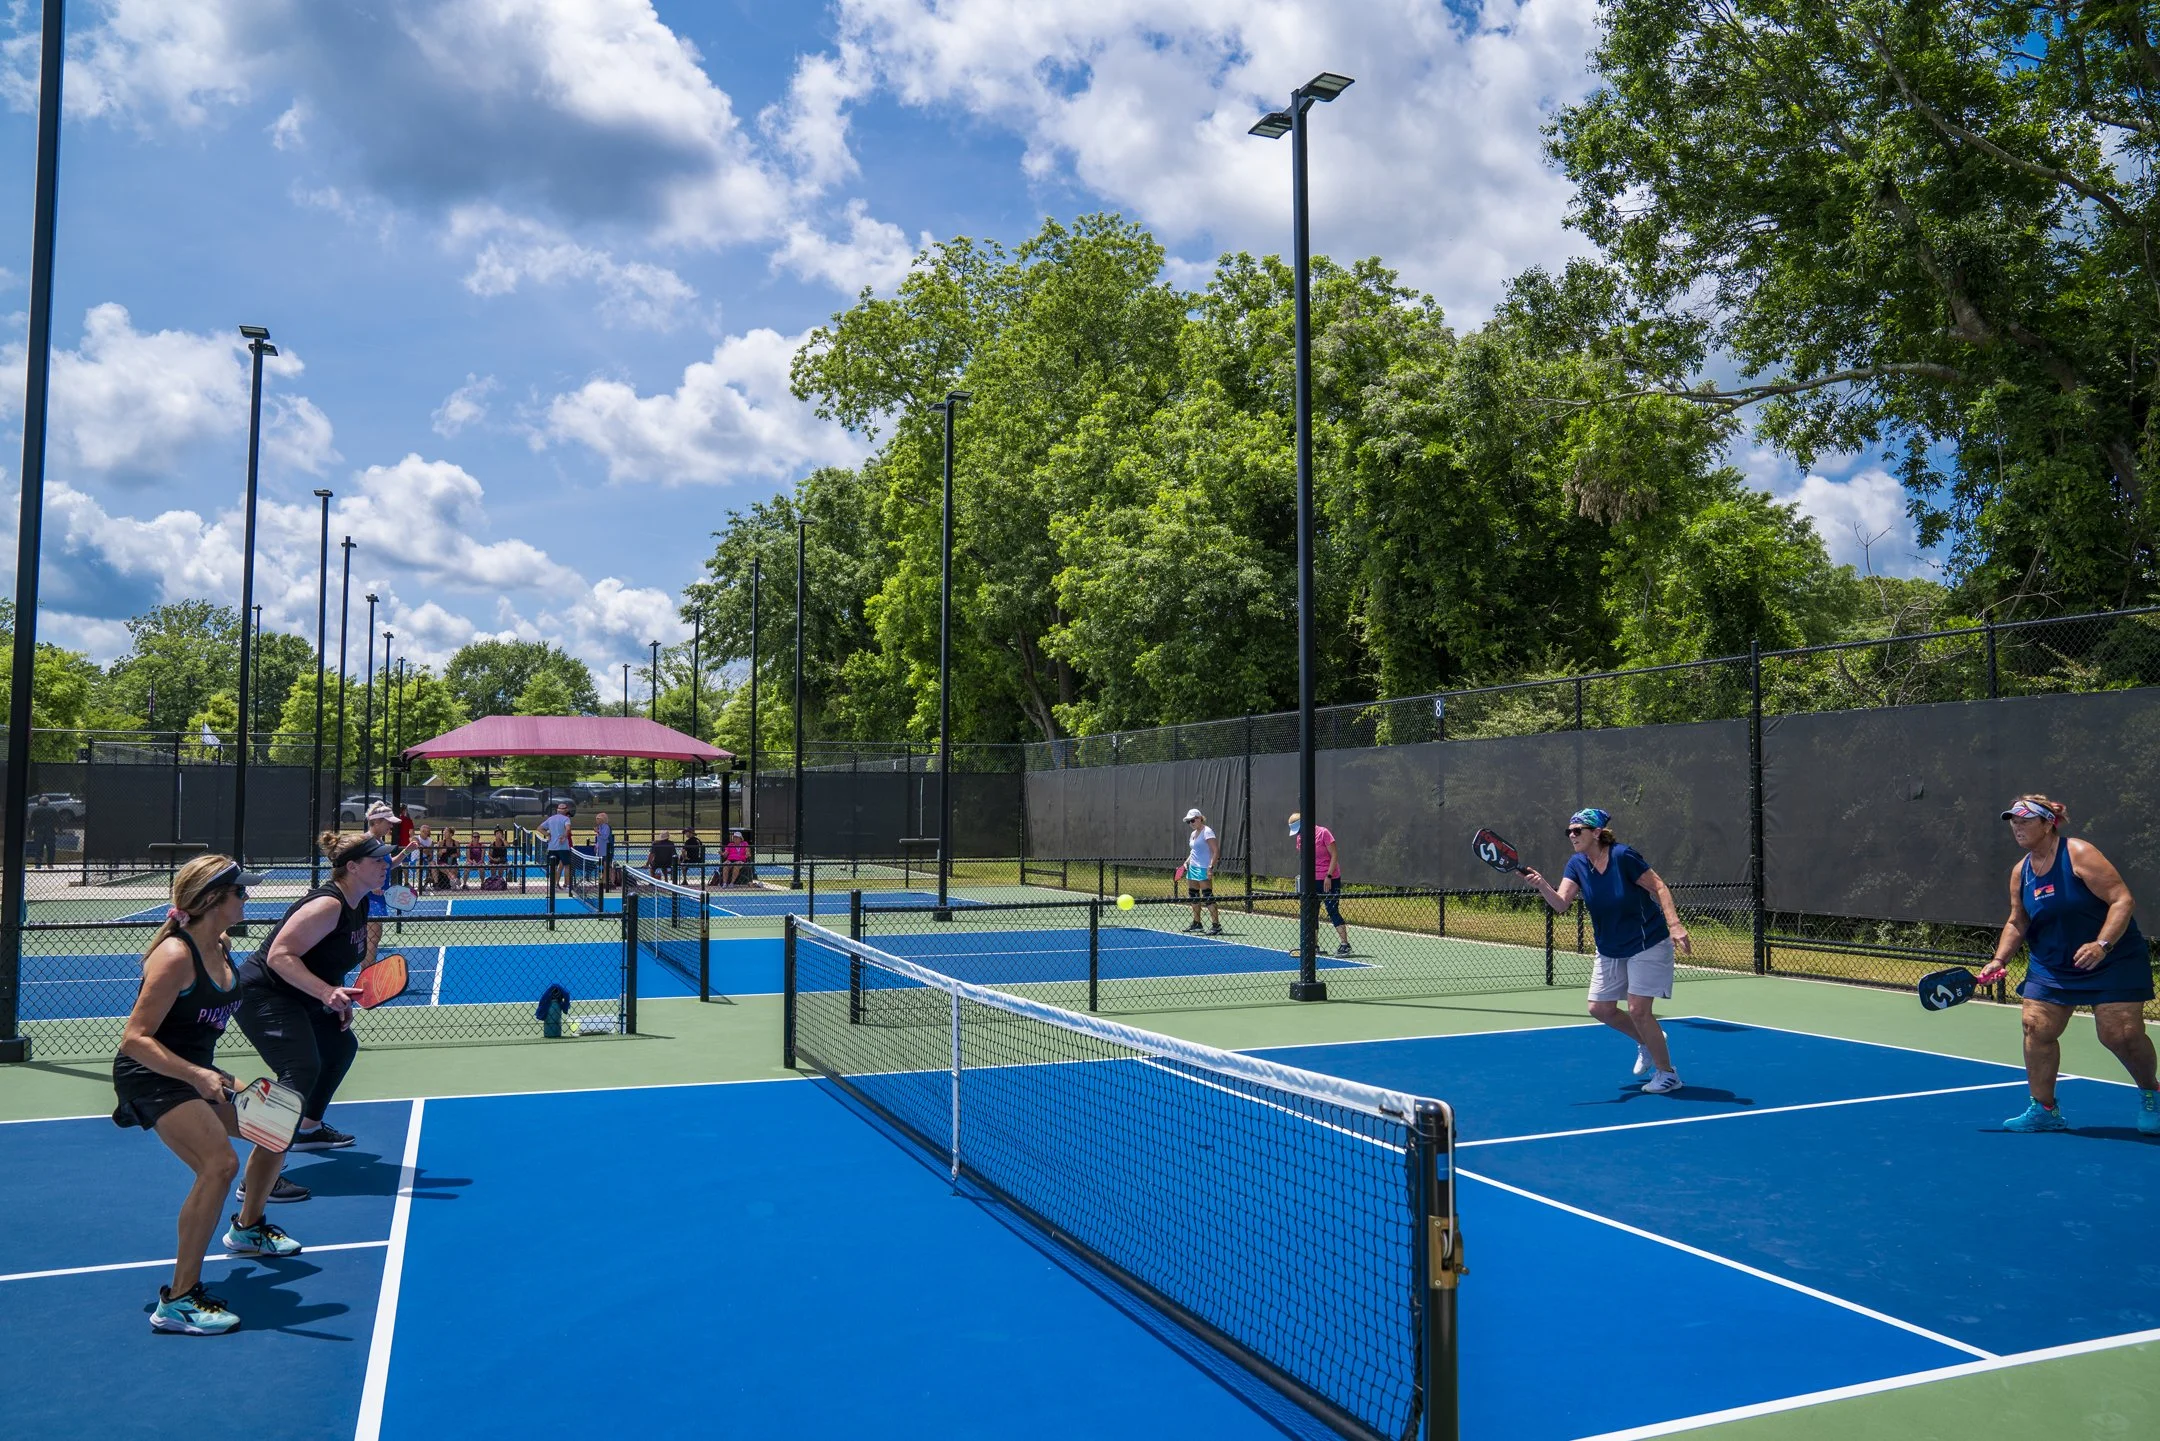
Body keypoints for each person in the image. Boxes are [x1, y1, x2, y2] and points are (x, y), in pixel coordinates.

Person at [112, 853, 293, 1335]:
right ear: (214, 899)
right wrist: (196, 1075)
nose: (248, 897)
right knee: (219, 1165)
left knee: (276, 1125)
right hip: (151, 1074)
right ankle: (178, 1300)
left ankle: (249, 1229)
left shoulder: (221, 942)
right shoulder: (175, 955)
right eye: (240, 891)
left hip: (194, 1071)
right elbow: (134, 1039)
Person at [1977, 796, 2159, 1133]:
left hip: (2113, 958)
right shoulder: (2022, 872)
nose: (2017, 826)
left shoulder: (2078, 853)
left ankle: (2152, 1094)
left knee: (2120, 1034)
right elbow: (2018, 920)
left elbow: (2122, 900)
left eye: (2025, 820)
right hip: (2053, 963)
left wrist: (2102, 943)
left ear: (2048, 824)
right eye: (2013, 820)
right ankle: (2044, 1110)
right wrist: (1999, 959)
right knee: (2035, 1026)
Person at [231, 830, 390, 1213]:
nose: (386, 865)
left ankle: (308, 1129)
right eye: (378, 860)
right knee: (300, 1070)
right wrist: (324, 993)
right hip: (265, 995)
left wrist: (335, 995)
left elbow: (326, 957)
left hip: (302, 994)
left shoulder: (359, 903)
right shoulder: (327, 905)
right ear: (352, 867)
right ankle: (258, 1179)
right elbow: (280, 956)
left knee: (340, 1047)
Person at [1520, 808, 1691, 1094]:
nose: (1572, 835)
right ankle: (1648, 1041)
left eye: (1578, 831)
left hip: (1647, 941)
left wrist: (1674, 924)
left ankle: (1668, 1074)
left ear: (1597, 833)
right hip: (1610, 947)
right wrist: (1541, 886)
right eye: (1569, 831)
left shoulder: (1623, 856)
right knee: (1600, 1008)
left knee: (1638, 1009)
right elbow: (1561, 904)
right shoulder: (1576, 864)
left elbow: (1659, 886)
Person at [1288, 813, 1352, 956]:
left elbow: (1334, 855)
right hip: (1312, 880)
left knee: (1332, 909)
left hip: (1330, 879)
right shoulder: (1300, 838)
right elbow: (1304, 860)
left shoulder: (1323, 833)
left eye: (1298, 830)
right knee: (1312, 913)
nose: (1298, 833)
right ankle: (1313, 945)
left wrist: (1328, 876)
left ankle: (1345, 944)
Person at [1181, 808, 1222, 936]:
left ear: (1199, 818)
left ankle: (1216, 926)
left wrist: (1210, 867)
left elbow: (1216, 851)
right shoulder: (1193, 834)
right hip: (1192, 868)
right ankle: (1197, 923)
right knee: (1193, 895)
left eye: (1192, 820)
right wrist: (1186, 862)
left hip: (1203, 868)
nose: (1191, 823)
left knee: (1208, 897)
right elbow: (1193, 852)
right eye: (1188, 821)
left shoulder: (1207, 832)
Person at [540, 801, 575, 888]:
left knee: (553, 867)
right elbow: (568, 829)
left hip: (552, 847)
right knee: (567, 866)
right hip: (563, 847)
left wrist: (548, 834)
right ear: (564, 810)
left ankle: (554, 884)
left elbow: (539, 828)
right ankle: (566, 885)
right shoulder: (566, 819)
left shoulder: (550, 819)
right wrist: (564, 837)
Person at [28, 797, 57, 867]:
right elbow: (58, 820)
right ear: (48, 803)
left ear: (40, 803)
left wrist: (29, 831)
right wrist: (60, 829)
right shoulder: (52, 810)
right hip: (50, 831)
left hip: (38, 832)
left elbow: (32, 822)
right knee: (51, 849)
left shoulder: (36, 810)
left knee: (38, 848)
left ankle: (38, 864)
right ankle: (50, 864)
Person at [594, 811, 615, 886]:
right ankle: (604, 881)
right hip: (601, 851)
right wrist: (596, 846)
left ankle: (611, 881)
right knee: (603, 866)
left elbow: (605, 836)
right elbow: (599, 839)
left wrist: (598, 832)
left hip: (607, 850)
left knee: (607, 866)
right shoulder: (600, 827)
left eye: (598, 819)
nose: (596, 820)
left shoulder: (606, 827)